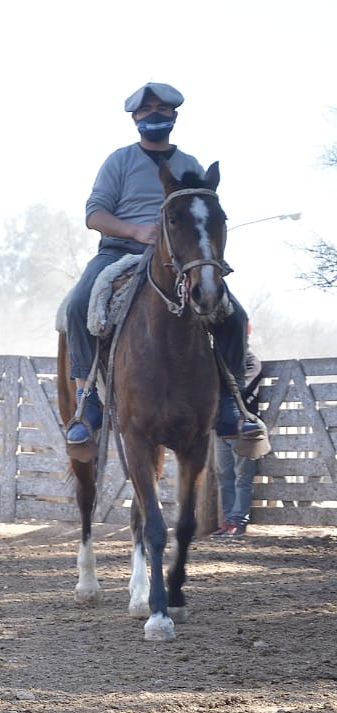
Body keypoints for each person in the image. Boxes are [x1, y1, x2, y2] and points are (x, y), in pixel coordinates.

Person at [62, 82, 258, 448]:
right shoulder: (119, 161)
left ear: (174, 115)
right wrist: (136, 230)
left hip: (178, 259)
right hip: (120, 250)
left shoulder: (190, 165)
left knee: (234, 315)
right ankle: (86, 400)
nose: (155, 114)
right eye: (147, 110)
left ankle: (231, 403)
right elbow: (95, 215)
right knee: (77, 305)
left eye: (162, 109)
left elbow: (204, 218)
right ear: (135, 117)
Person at [212, 331, 264, 538]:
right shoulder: (221, 361)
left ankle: (238, 521)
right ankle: (228, 520)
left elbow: (238, 389)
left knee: (242, 477)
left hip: (244, 430)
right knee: (224, 476)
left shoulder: (251, 362)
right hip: (222, 428)